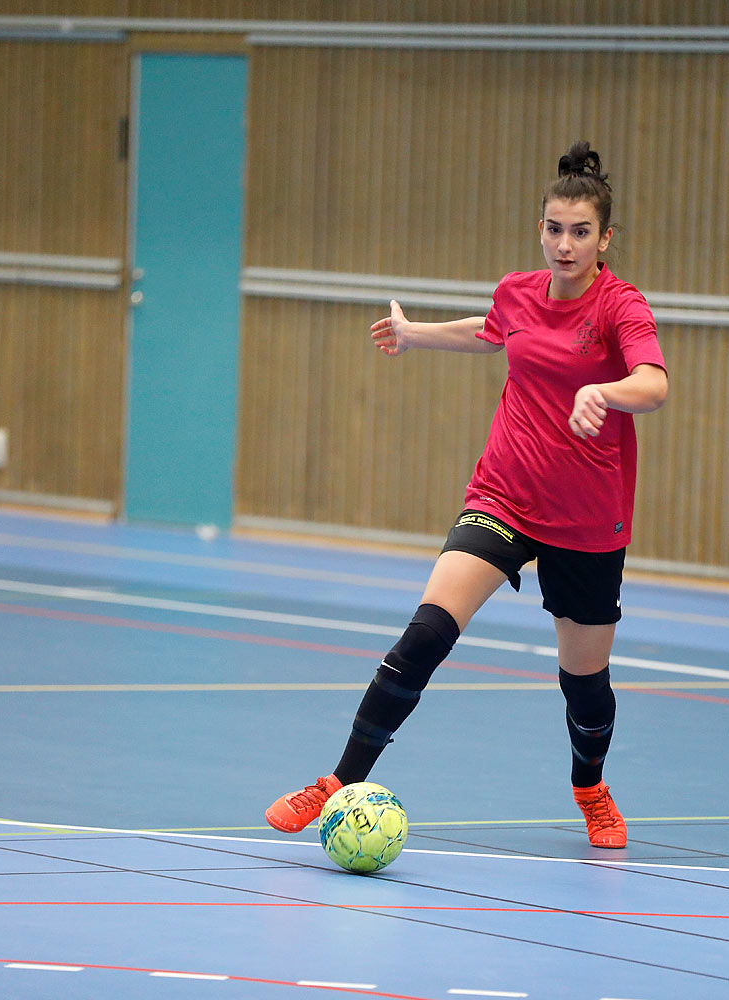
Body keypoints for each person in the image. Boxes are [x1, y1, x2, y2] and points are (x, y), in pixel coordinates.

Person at [264, 142, 668, 850]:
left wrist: (605, 391)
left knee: (586, 687)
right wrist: (415, 333)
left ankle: (590, 787)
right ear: (540, 229)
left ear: (604, 239)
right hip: (505, 495)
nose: (564, 243)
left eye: (580, 231)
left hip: (586, 518)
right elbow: (491, 333)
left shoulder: (620, 307)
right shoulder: (517, 291)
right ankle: (337, 783)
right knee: (424, 635)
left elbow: (655, 384)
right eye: (553, 228)